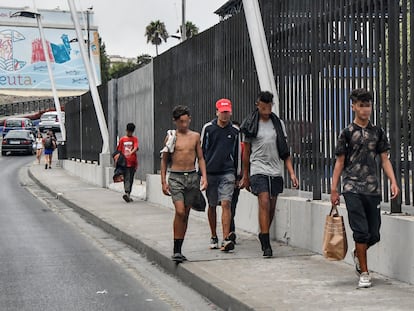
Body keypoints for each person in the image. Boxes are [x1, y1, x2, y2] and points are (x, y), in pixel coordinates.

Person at [330, 88, 400, 288]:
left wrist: (393, 181)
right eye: (361, 105)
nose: (365, 109)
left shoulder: (377, 132)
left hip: (373, 189)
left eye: (368, 105)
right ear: (353, 107)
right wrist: (334, 189)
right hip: (352, 187)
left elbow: (385, 160)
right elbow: (339, 162)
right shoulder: (346, 133)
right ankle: (365, 273)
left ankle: (358, 253)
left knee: (374, 234)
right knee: (361, 233)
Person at [240, 91, 298, 258]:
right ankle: (266, 244)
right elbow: (246, 152)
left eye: (269, 107)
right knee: (264, 201)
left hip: (275, 170)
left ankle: (263, 233)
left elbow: (285, 151)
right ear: (258, 105)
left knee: (271, 206)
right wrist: (246, 175)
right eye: (263, 107)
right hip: (258, 168)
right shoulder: (251, 124)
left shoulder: (277, 123)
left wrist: (292, 174)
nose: (266, 110)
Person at [160, 105, 208, 263]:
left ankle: (179, 249)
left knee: (186, 214)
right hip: (176, 177)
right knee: (180, 211)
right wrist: (163, 181)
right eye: (181, 122)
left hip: (192, 177)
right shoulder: (171, 137)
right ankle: (176, 248)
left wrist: (204, 177)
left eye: (186, 121)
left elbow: (200, 157)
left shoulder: (195, 136)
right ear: (175, 121)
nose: (184, 125)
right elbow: (164, 159)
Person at [201, 99, 241, 252]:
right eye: (222, 112)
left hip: (227, 172)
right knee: (212, 205)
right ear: (217, 112)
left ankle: (225, 238)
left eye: (227, 112)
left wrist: (238, 174)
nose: (225, 115)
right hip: (211, 172)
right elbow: (201, 151)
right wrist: (202, 174)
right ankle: (213, 235)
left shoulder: (235, 131)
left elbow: (237, 153)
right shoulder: (208, 128)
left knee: (226, 203)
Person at [116, 123, 139, 203]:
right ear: (126, 130)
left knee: (130, 178)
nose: (130, 133)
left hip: (133, 162)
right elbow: (118, 151)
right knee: (127, 178)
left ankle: (128, 194)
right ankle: (127, 193)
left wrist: (131, 152)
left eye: (131, 132)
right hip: (124, 163)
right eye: (129, 132)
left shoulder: (134, 139)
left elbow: (136, 147)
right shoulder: (122, 140)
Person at [230, 121, 243, 243]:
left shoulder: (242, 146)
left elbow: (243, 162)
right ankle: (229, 231)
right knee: (226, 205)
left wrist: (241, 177)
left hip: (236, 179)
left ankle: (230, 231)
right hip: (225, 176)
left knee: (231, 206)